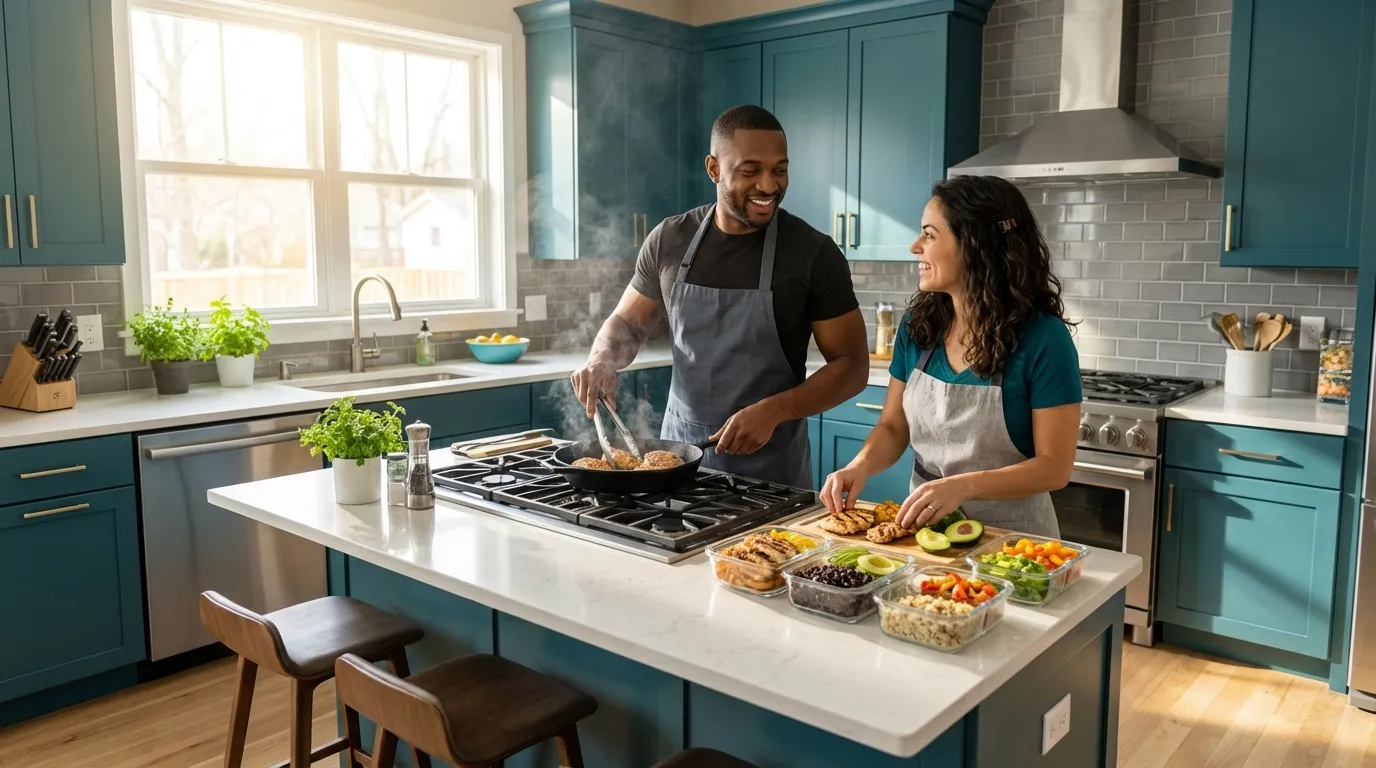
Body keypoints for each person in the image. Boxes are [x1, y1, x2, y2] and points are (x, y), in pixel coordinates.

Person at [570, 105, 869, 488]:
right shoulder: (670, 239)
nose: (769, 185)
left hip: (771, 473)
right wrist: (601, 359)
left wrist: (775, 410)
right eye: (750, 171)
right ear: (714, 169)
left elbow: (852, 365)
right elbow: (628, 322)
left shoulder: (813, 254)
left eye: (780, 170)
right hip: (678, 462)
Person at [819, 175, 1081, 537]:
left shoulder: (1044, 339)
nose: (915, 247)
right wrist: (859, 466)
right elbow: (894, 426)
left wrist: (964, 485)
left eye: (929, 234)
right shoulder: (918, 326)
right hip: (925, 534)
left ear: (975, 246)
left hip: (1015, 542)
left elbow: (1055, 468)